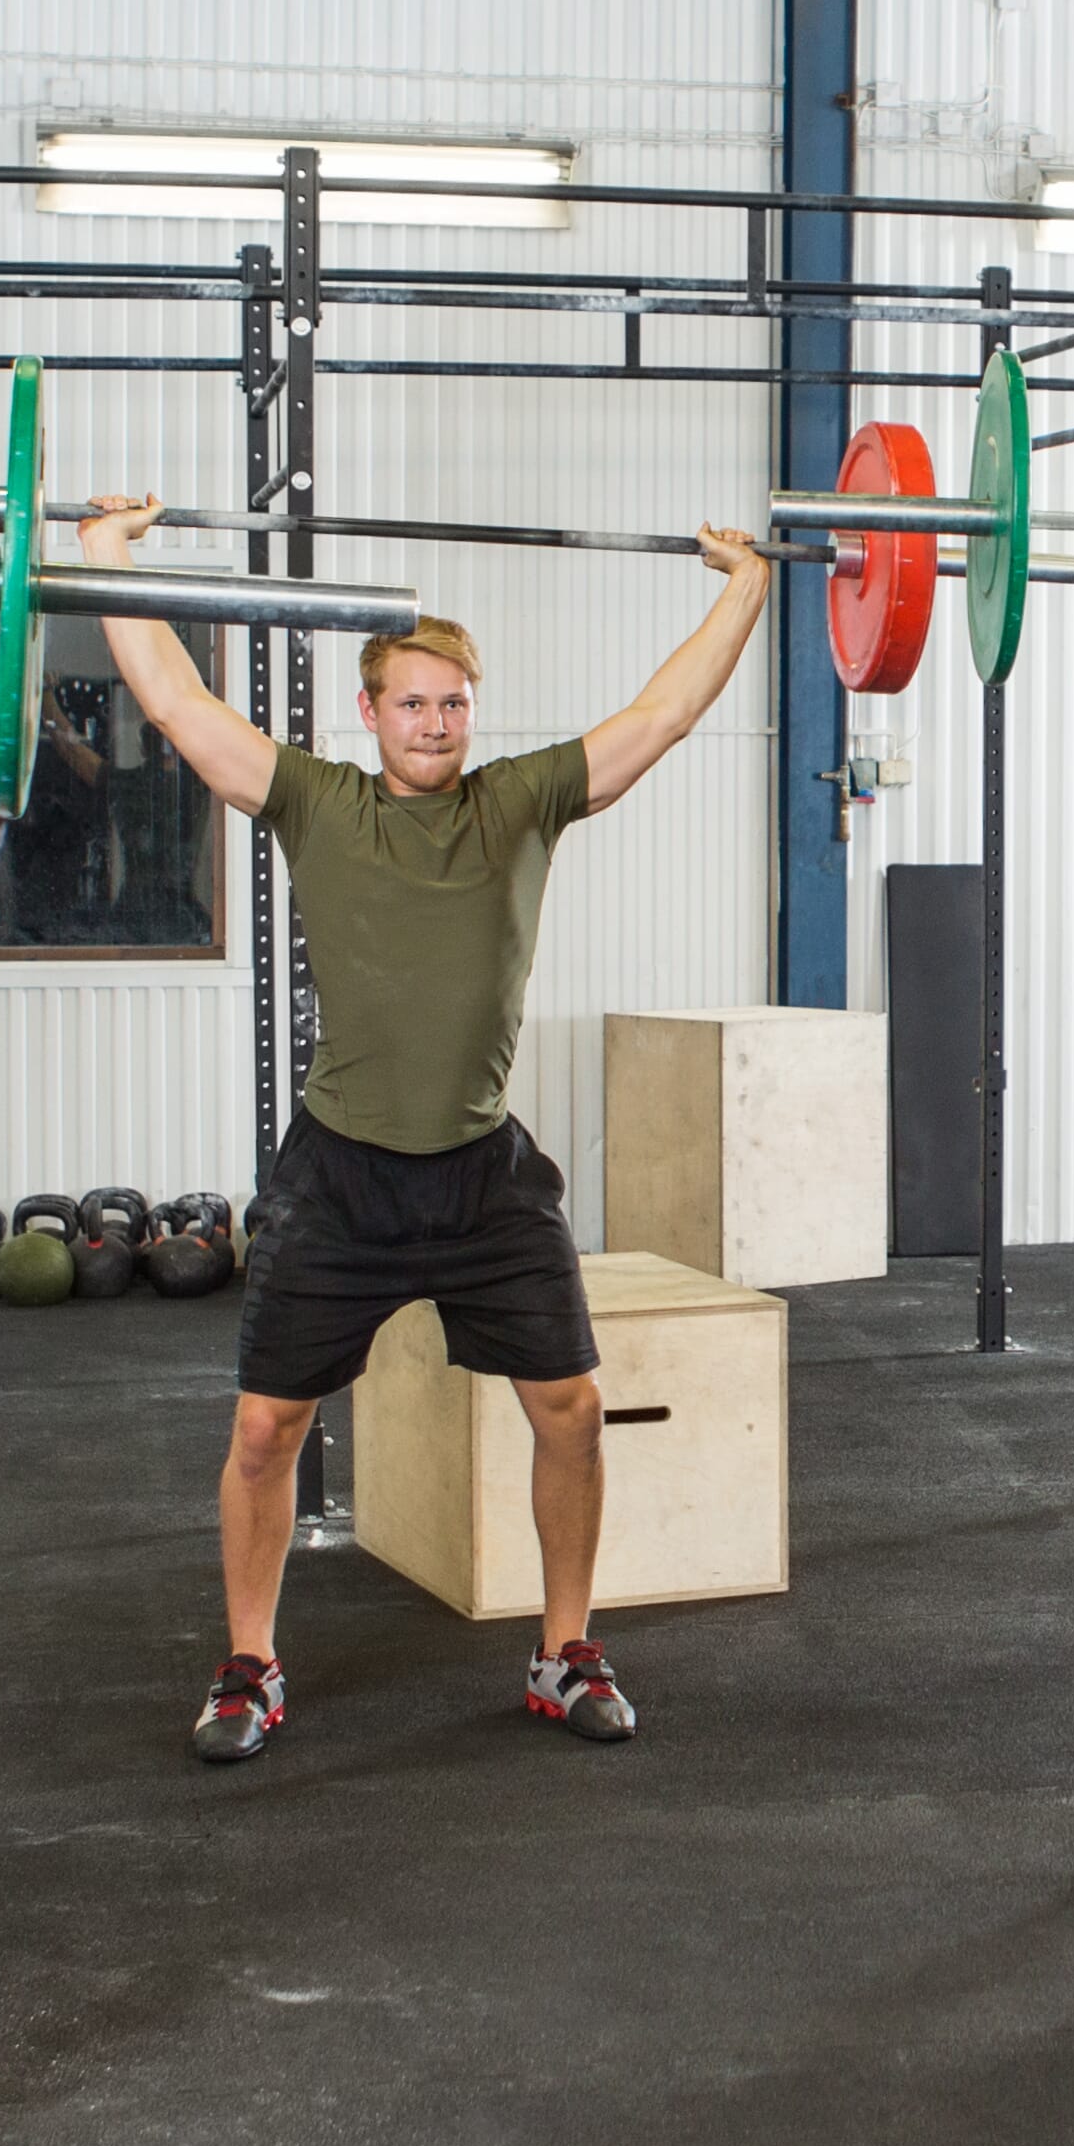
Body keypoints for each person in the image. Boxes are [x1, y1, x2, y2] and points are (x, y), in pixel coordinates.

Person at [74, 506, 773, 1756]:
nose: (436, 723)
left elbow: (661, 718)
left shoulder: (520, 805)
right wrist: (108, 564)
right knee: (264, 1428)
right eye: (413, 703)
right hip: (339, 1174)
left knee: (570, 1407)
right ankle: (250, 1665)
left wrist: (744, 589)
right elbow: (179, 709)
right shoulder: (319, 804)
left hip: (483, 1174)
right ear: (370, 712)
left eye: (454, 704)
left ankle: (564, 1651)